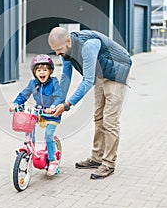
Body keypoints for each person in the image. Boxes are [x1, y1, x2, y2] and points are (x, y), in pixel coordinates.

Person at [48, 27, 132, 179]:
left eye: (58, 49)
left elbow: (87, 81)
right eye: (54, 50)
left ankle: (108, 163)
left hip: (117, 70)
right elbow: (66, 77)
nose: (57, 53)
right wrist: (58, 103)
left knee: (110, 120)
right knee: (98, 117)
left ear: (67, 41)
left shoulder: (88, 45)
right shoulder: (65, 51)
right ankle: (96, 158)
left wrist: (67, 105)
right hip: (101, 73)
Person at [10, 54, 64, 177]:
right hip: (39, 112)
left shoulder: (54, 82)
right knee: (29, 127)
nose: (42, 72)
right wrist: (15, 104)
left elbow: (59, 96)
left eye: (45, 69)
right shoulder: (32, 83)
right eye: (39, 70)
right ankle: (29, 148)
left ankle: (52, 160)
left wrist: (54, 107)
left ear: (50, 71)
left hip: (52, 114)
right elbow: (23, 95)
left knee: (49, 134)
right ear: (35, 72)